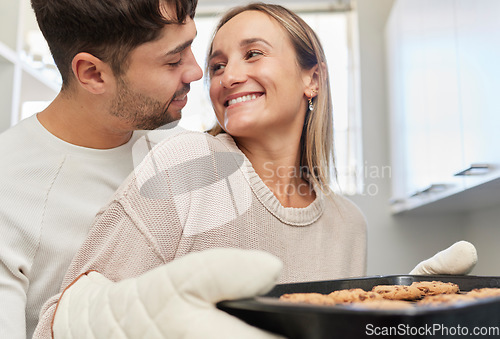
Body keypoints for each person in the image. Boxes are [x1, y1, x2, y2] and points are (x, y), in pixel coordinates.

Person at [34, 2, 478, 338]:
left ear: (313, 79)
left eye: (254, 54)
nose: (228, 77)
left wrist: (402, 317)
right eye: (218, 66)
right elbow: (59, 319)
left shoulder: (348, 225)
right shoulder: (188, 166)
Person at [0, 0, 204, 337]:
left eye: (191, 46)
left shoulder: (186, 156)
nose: (196, 71)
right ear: (93, 74)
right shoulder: (10, 190)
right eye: (173, 60)